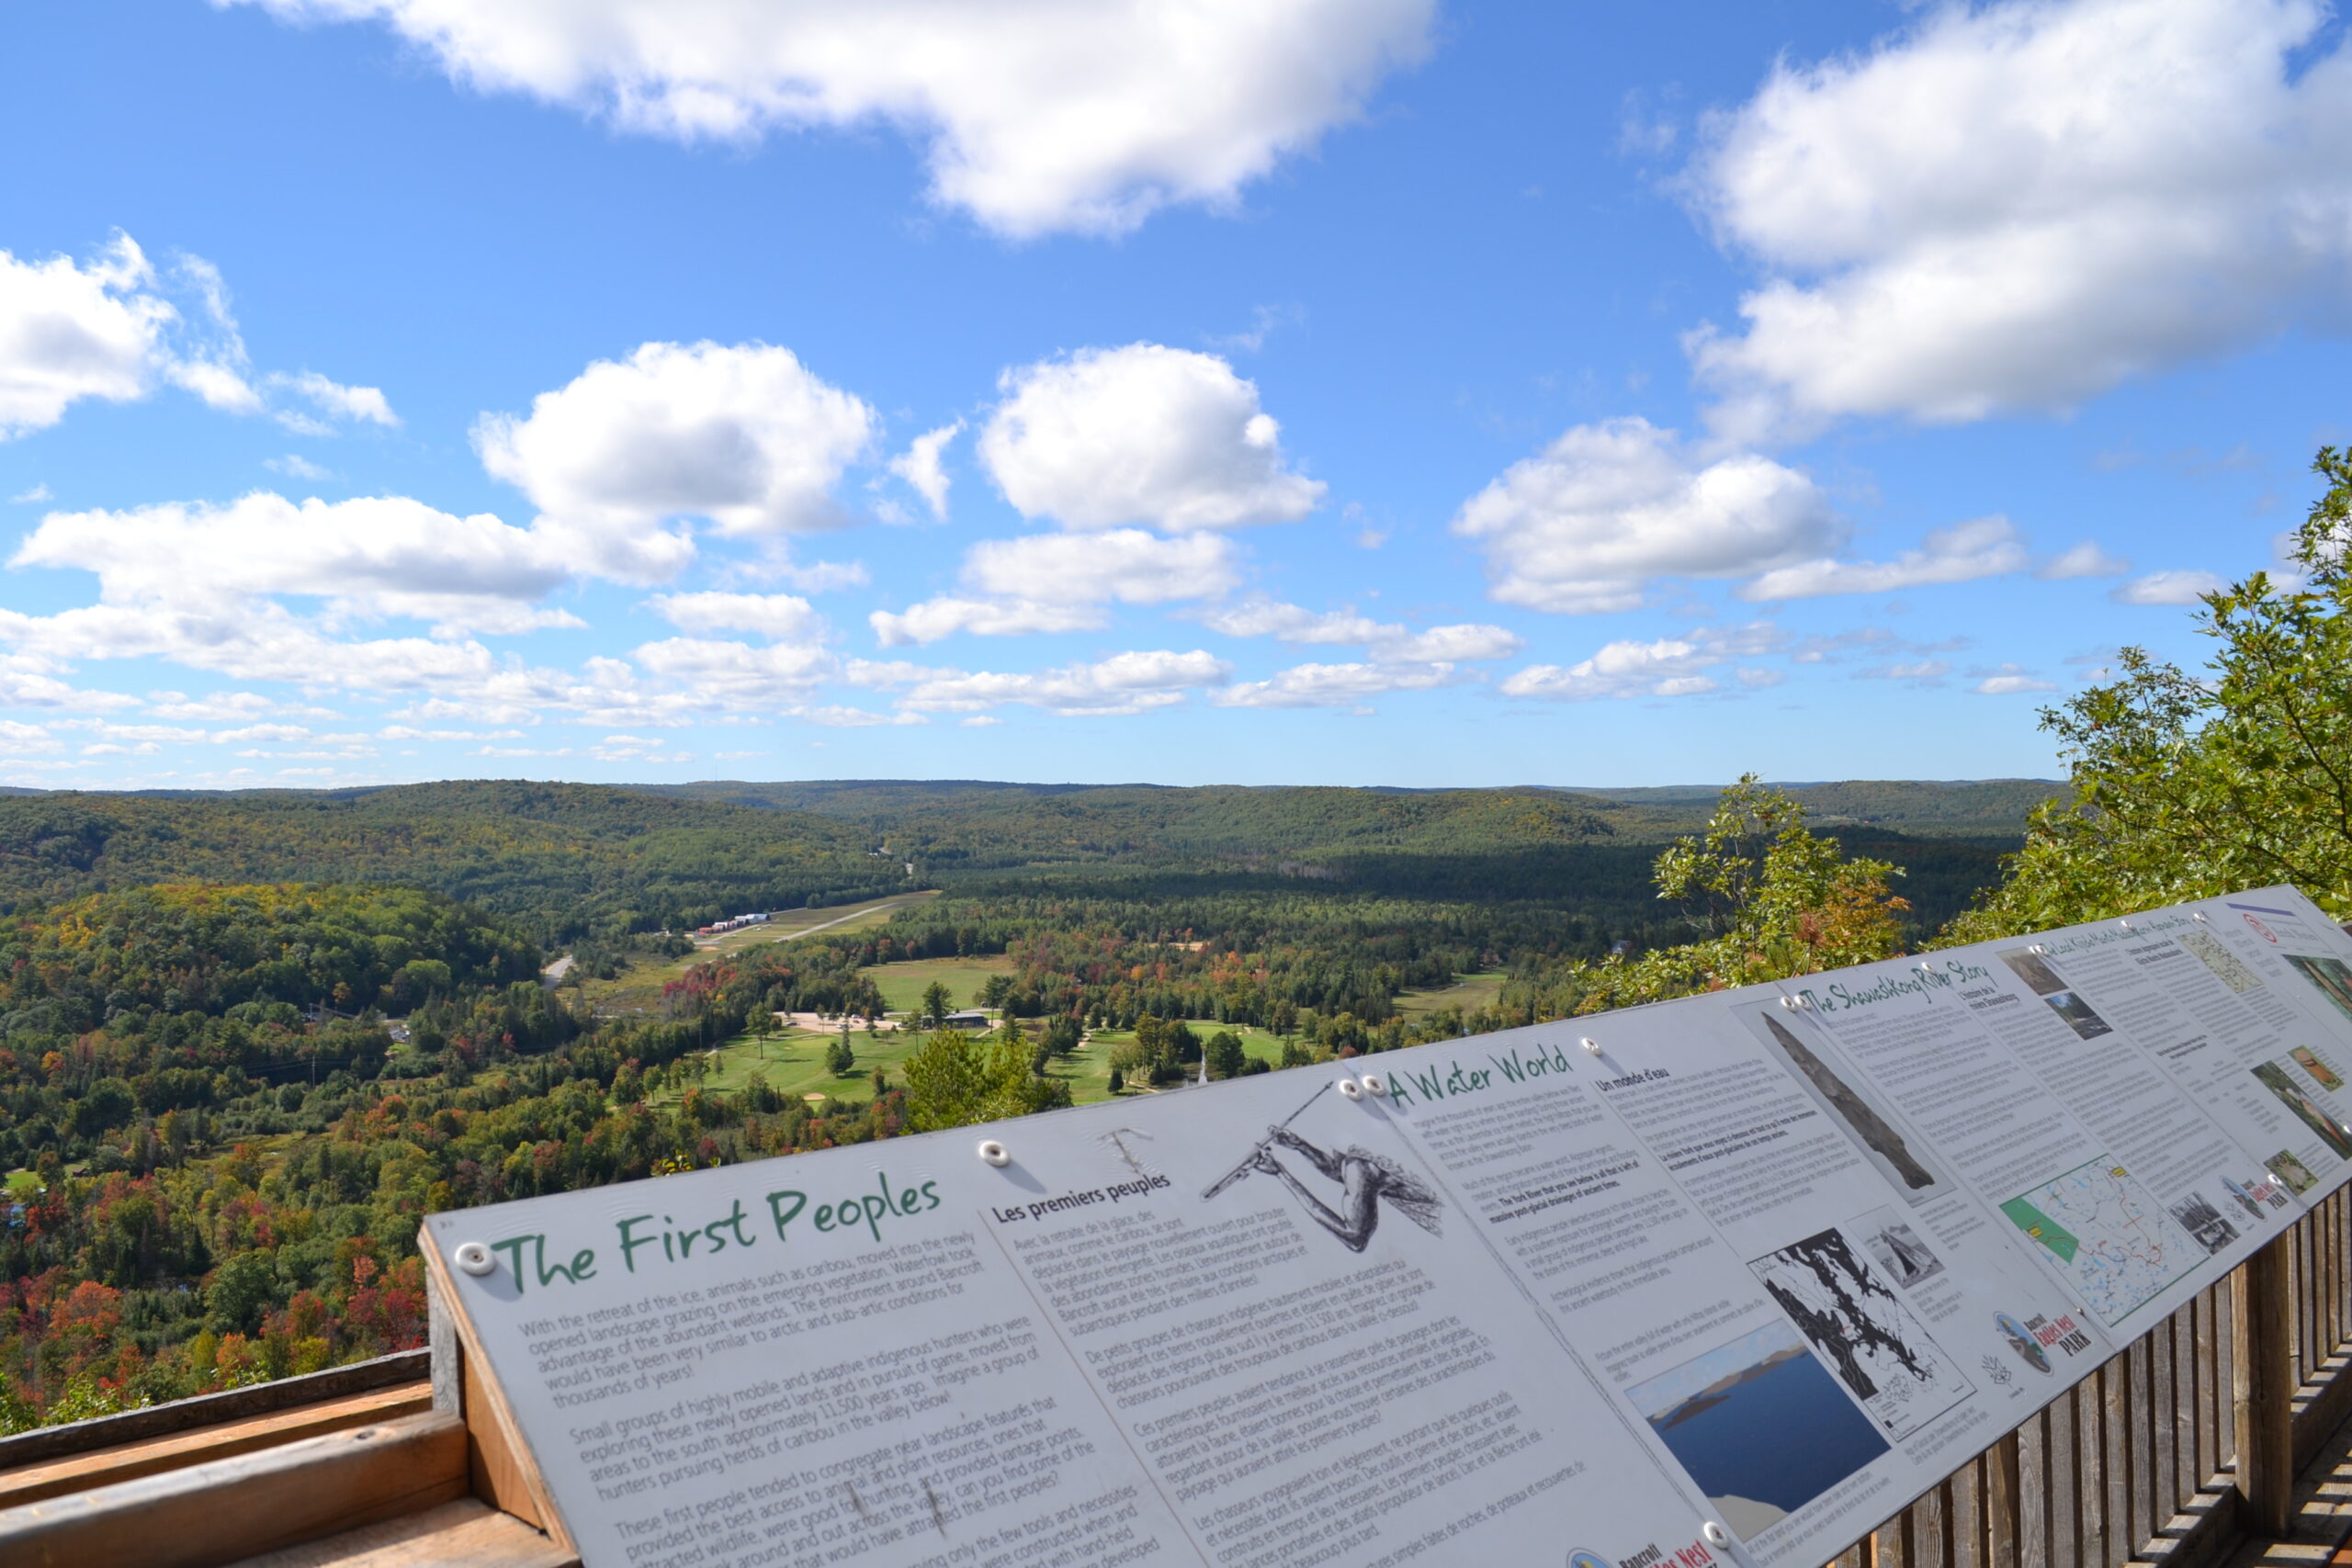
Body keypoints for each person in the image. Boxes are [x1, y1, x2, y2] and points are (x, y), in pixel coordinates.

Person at [1248, 1125, 1441, 1251]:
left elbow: (1354, 1238)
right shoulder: (1365, 1160)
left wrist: (1281, 1174)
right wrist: (1302, 1147)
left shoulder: (1361, 1167)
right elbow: (1348, 1174)